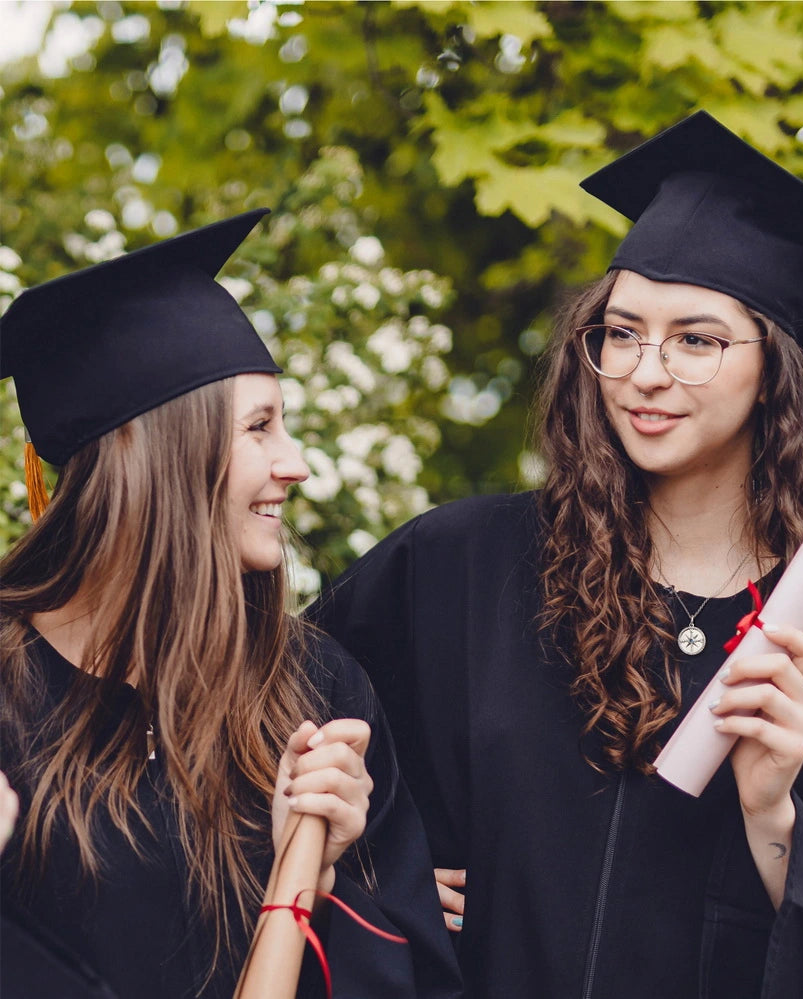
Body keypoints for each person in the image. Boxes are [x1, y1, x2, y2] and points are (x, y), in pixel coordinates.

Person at [307, 112, 803, 998]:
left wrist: (772, 815)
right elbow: (274, 719)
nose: (646, 371)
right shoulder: (462, 566)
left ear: (775, 370)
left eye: (696, 339)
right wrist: (381, 874)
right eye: (620, 332)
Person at [0, 210, 463, 999]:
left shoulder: (312, 689)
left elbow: (414, 969)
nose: (298, 463)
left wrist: (339, 880)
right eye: (260, 427)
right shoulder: (9, 691)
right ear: (149, 450)